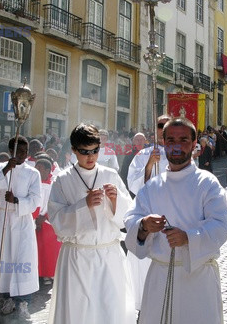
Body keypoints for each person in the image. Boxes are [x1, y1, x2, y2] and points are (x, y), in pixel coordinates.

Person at [124, 117, 227, 324]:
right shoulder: (151, 187)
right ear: (163, 142)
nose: (176, 146)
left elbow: (220, 226)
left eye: (183, 140)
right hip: (161, 276)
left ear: (193, 143)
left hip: (197, 278)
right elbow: (131, 219)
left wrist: (188, 238)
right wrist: (143, 226)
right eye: (170, 140)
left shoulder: (208, 183)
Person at [47, 123, 135, 324]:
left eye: (95, 151)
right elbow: (57, 221)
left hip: (109, 255)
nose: (91, 157)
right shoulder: (62, 180)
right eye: (85, 152)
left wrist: (115, 201)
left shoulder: (110, 175)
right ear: (73, 151)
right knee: (79, 313)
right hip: (77, 256)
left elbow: (127, 215)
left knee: (111, 310)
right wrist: (83, 205)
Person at [0, 136, 41, 319]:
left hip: (22, 221)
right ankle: (7, 297)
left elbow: (35, 200)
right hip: (3, 219)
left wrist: (17, 200)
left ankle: (24, 301)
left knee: (23, 259)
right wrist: (6, 169)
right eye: (19, 151)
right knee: (4, 258)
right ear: (11, 151)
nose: (23, 155)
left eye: (25, 152)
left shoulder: (33, 173)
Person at [126, 115, 171, 310]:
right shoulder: (143, 155)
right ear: (155, 129)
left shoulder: (178, 153)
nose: (164, 129)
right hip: (147, 213)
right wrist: (150, 165)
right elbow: (134, 184)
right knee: (143, 266)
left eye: (167, 125)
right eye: (161, 125)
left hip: (171, 214)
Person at [119, 132, 146, 197]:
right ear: (133, 142)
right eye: (137, 140)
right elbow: (124, 172)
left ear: (145, 141)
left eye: (141, 139)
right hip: (132, 188)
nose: (139, 141)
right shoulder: (129, 154)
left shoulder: (150, 153)